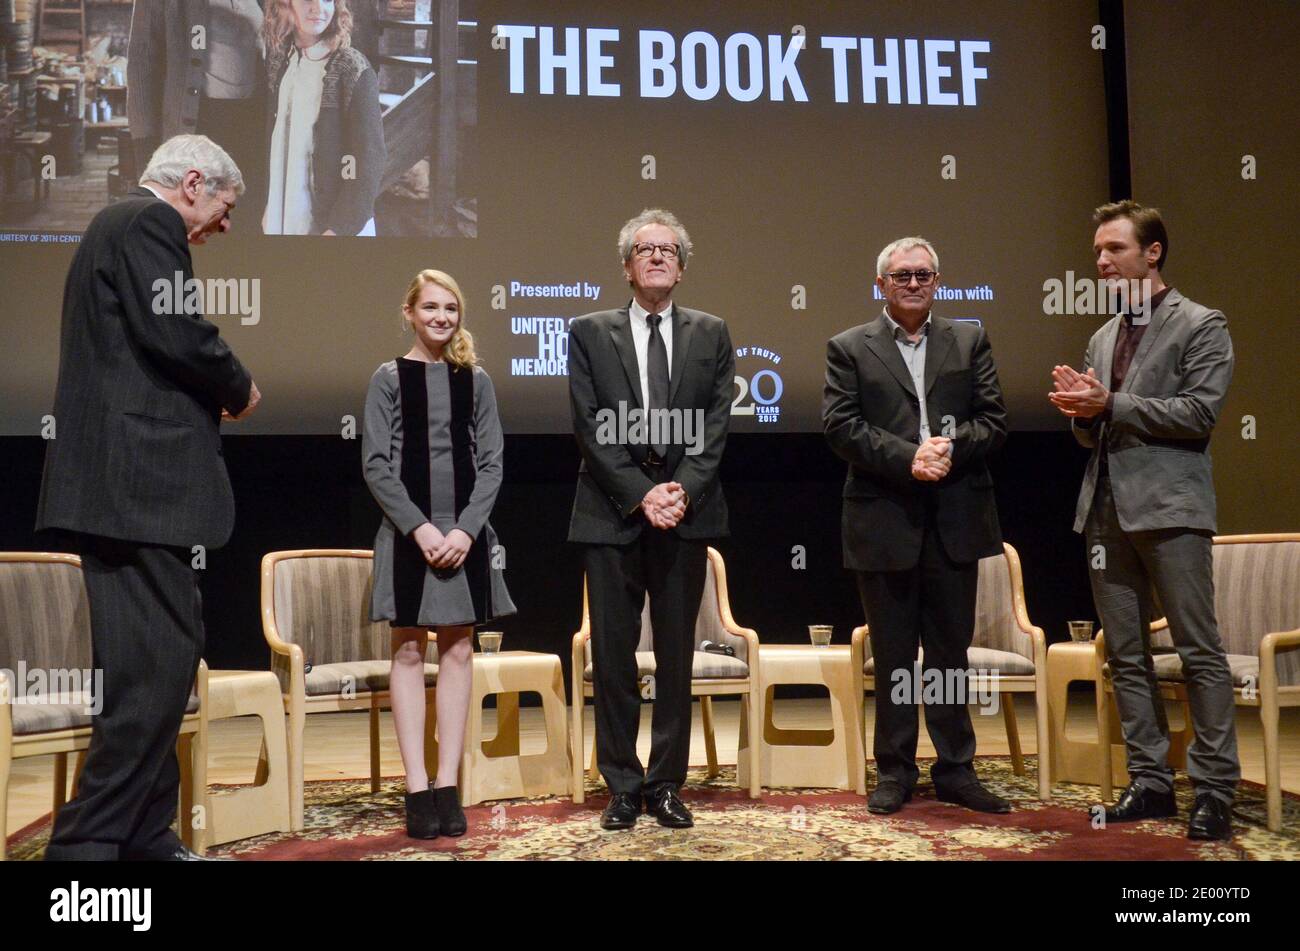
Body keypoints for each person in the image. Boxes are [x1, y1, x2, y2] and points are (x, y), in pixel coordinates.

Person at [35, 134, 260, 860]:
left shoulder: (119, 227)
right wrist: (238, 385)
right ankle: (88, 844)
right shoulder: (145, 222)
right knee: (151, 673)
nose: (224, 226)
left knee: (156, 664)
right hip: (137, 489)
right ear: (192, 182)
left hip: (129, 492)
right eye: (224, 207)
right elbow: (177, 332)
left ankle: (145, 832)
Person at [1049, 201, 1238, 840]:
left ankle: (1213, 788)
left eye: (1115, 250)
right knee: (1126, 656)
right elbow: (1095, 430)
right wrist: (1082, 412)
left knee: (1197, 651)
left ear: (1151, 253)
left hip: (1172, 510)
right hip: (1104, 511)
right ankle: (1151, 782)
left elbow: (1198, 414)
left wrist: (1111, 402)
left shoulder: (1201, 325)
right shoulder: (1103, 336)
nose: (1101, 262)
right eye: (1098, 252)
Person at [823, 236, 1010, 815]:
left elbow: (994, 420)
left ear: (937, 281)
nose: (912, 283)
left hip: (956, 515)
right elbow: (840, 426)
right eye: (901, 275)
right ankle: (895, 771)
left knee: (950, 654)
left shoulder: (969, 338)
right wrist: (909, 456)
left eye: (923, 274)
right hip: (884, 518)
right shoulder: (849, 347)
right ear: (880, 284)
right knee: (895, 653)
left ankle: (956, 768)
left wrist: (948, 449)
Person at [567, 209, 734, 830]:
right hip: (610, 514)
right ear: (627, 266)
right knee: (613, 656)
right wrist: (642, 495)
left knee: (674, 655)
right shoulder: (588, 330)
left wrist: (679, 493)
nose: (657, 256)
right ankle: (621, 784)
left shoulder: (711, 332)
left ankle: (666, 783)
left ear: (682, 267)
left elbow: (715, 425)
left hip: (686, 516)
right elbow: (589, 424)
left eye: (668, 249)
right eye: (644, 248)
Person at [363, 269, 515, 838]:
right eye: (430, 307)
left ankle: (448, 785)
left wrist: (467, 531)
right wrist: (420, 530)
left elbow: (493, 463)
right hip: (409, 539)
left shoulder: (475, 380)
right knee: (407, 653)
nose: (441, 318)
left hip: (465, 539)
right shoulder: (385, 379)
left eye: (451, 308)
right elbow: (377, 464)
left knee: (457, 651)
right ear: (410, 312)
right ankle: (417, 788)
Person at [128, 1, 269, 214]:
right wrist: (145, 149)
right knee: (194, 231)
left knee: (246, 225)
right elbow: (142, 63)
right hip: (198, 128)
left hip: (251, 130)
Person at [261, 0, 386, 235]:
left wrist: (339, 227)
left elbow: (370, 158)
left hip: (334, 227)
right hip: (285, 215)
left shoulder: (351, 67)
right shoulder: (280, 62)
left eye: (328, 0)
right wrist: (271, 204)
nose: (318, 8)